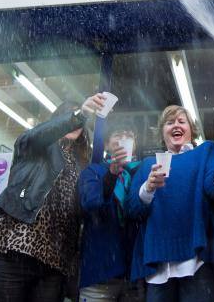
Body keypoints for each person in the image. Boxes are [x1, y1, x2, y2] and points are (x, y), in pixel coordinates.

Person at [0, 93, 106, 302]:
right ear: (56, 121)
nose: (75, 123)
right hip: (13, 250)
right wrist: (80, 114)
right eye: (68, 116)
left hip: (54, 264)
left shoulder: (82, 165)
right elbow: (37, 136)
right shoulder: (35, 145)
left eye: (80, 121)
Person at [126, 105, 214, 302]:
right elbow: (133, 210)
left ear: (191, 129)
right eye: (170, 122)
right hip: (158, 264)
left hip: (197, 261)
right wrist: (148, 188)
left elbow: (213, 189)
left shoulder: (205, 151)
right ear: (162, 132)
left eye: (181, 121)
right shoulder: (147, 166)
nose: (175, 125)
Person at [78, 121, 144, 302]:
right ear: (107, 144)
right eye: (117, 135)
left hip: (133, 275)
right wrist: (111, 174)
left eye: (128, 136)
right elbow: (90, 204)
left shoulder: (140, 174)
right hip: (99, 271)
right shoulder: (93, 171)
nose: (123, 140)